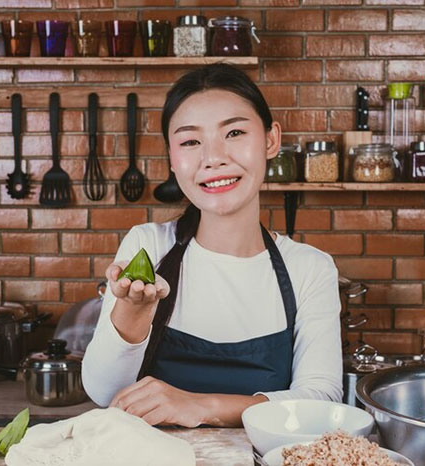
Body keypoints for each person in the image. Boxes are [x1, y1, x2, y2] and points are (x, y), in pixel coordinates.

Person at [82, 64, 342, 428]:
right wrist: (132, 316)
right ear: (172, 159)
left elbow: (321, 397)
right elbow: (103, 392)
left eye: (234, 132)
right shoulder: (148, 246)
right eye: (190, 141)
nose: (213, 157)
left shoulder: (310, 268)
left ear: (270, 140)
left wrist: (200, 406)